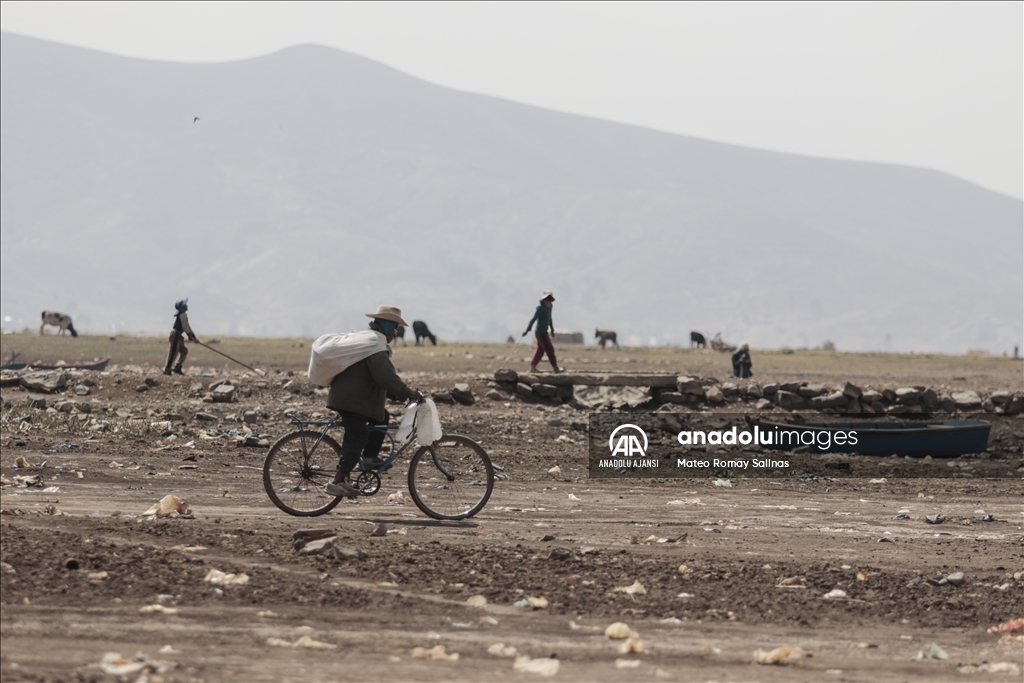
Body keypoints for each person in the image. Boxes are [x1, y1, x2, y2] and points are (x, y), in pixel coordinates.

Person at [325, 305, 423, 498]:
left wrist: (398, 395)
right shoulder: (374, 344)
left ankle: (369, 458)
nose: (396, 333)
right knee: (358, 435)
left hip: (354, 397)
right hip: (350, 400)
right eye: (394, 328)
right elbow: (385, 375)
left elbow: (375, 380)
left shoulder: (372, 341)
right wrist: (407, 392)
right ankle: (337, 480)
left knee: (382, 417)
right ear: (386, 326)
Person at [523, 291, 562, 373]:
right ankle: (555, 368)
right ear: (543, 300)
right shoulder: (540, 308)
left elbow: (549, 318)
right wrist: (527, 330)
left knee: (540, 350)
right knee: (549, 349)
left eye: (549, 300)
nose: (548, 302)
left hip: (545, 332)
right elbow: (533, 319)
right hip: (540, 332)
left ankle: (533, 367)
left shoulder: (550, 306)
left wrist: (552, 329)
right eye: (546, 300)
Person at [164, 298, 198, 375]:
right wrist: (189, 335)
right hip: (175, 335)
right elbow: (185, 327)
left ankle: (177, 367)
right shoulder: (182, 315)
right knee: (173, 352)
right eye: (185, 305)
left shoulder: (184, 315)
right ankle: (167, 369)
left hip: (179, 335)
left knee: (184, 351)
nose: (187, 306)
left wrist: (193, 336)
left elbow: (188, 327)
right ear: (183, 307)